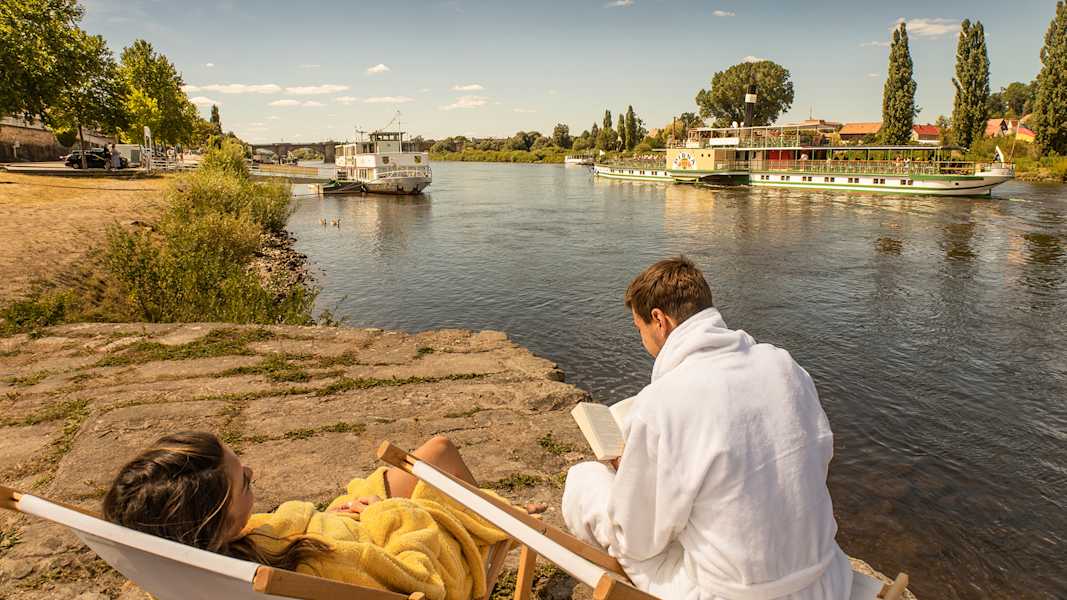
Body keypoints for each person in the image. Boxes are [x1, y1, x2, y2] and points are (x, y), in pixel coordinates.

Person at [562, 257, 852, 600]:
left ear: (659, 320)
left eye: (639, 329)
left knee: (584, 480)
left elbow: (636, 541)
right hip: (826, 578)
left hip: (733, 593)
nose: (643, 342)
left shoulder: (664, 401)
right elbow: (814, 454)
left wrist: (632, 477)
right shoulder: (784, 364)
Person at [103, 432, 509, 600]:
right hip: (387, 537)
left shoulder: (204, 562)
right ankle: (499, 520)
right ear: (217, 522)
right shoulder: (312, 574)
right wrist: (388, 514)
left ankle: (492, 512)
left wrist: (333, 514)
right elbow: (423, 578)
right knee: (441, 456)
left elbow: (295, 525)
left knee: (435, 453)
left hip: (342, 529)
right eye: (243, 481)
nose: (252, 474)